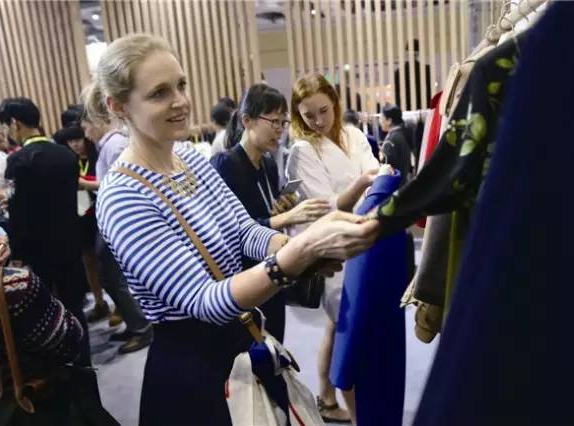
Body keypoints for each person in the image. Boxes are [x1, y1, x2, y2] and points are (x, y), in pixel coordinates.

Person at [85, 33, 378, 425]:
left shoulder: (190, 158)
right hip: (193, 370)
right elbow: (205, 301)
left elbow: (244, 231)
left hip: (241, 343)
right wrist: (296, 254)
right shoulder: (123, 195)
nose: (180, 101)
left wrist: (301, 246)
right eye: (159, 93)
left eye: (181, 85)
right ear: (118, 106)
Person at [286, 72, 380, 424]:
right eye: (308, 115)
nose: (318, 121)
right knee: (350, 334)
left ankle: (326, 397)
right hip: (332, 254)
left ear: (336, 104)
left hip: (366, 244)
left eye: (324, 111)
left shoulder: (354, 134)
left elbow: (377, 174)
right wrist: (362, 184)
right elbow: (327, 209)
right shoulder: (302, 150)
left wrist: (373, 181)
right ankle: (358, 418)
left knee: (337, 327)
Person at [211, 83, 330, 342]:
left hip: (273, 273)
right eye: (274, 121)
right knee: (251, 353)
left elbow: (263, 214)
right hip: (243, 281)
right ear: (247, 120)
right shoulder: (225, 165)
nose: (280, 129)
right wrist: (288, 217)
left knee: (276, 347)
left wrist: (280, 207)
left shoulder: (267, 163)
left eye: (283, 122)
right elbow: (230, 233)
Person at [0, 97, 92, 366]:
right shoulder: (66, 155)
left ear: (14, 123)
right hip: (70, 244)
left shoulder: (18, 161)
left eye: (6, 126)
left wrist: (17, 254)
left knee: (45, 314)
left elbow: (19, 214)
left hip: (38, 251)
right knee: (75, 309)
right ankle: (85, 365)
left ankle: (60, 371)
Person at [81, 111, 153, 353]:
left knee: (116, 279)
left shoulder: (114, 145)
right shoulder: (109, 145)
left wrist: (83, 183)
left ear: (97, 121)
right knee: (111, 278)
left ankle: (142, 328)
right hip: (111, 219)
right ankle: (135, 325)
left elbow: (119, 183)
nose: (86, 133)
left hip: (117, 220)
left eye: (87, 126)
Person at [53, 125, 112, 323]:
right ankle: (99, 302)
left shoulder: (99, 155)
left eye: (78, 139)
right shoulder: (68, 160)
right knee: (89, 260)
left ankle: (121, 306)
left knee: (110, 262)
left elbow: (106, 182)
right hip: (82, 215)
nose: (76, 144)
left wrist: (82, 182)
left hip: (102, 212)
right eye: (71, 141)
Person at [379, 103, 413, 185]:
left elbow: (386, 165)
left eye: (381, 118)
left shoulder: (392, 139)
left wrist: (380, 156)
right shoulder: (401, 133)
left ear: (389, 120)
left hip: (394, 184)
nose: (380, 121)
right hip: (402, 182)